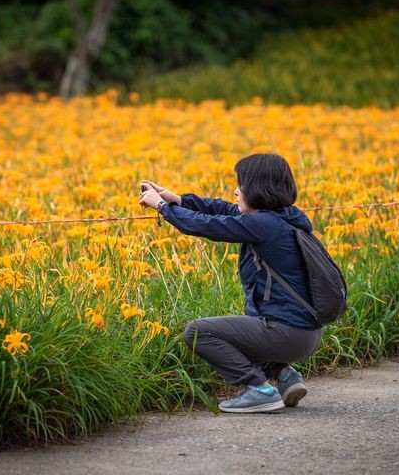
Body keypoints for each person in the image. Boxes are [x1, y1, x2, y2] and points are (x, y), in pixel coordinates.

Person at [138, 153, 323, 413]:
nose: (236, 191)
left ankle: (258, 389)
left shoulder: (263, 225)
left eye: (242, 185)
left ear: (259, 189)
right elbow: (224, 210)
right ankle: (283, 376)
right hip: (306, 334)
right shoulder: (284, 217)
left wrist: (163, 208)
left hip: (286, 335)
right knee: (242, 325)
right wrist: (178, 200)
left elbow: (209, 225)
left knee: (199, 332)